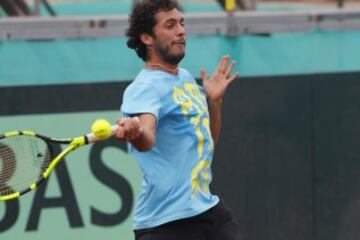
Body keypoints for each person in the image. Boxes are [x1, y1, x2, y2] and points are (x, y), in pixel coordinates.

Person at [115, 0, 242, 239]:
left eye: (181, 23)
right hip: (167, 225)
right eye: (170, 25)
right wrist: (136, 131)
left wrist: (214, 103)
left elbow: (208, 142)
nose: (181, 30)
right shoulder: (144, 88)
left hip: (209, 212)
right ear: (147, 38)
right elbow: (147, 137)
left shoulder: (184, 78)